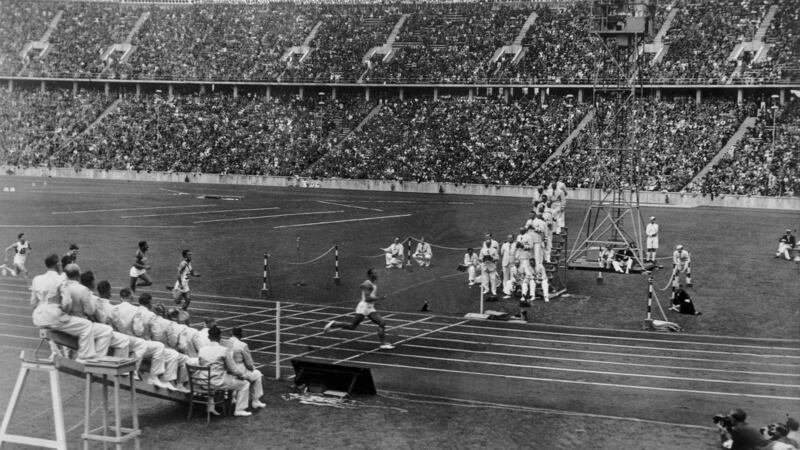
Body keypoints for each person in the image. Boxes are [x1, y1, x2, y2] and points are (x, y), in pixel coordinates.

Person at [30, 254, 96, 361]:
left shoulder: (36, 279)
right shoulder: (61, 279)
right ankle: (84, 357)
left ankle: (57, 353)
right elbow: (67, 302)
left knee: (56, 327)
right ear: (58, 264)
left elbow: (33, 303)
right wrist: (64, 312)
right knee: (87, 325)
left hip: (38, 317)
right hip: (53, 314)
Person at [323, 268, 395, 350]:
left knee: (382, 323)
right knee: (352, 326)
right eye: (375, 273)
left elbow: (364, 290)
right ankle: (334, 324)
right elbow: (367, 299)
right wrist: (379, 298)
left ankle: (383, 344)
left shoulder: (371, 284)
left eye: (377, 273)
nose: (377, 274)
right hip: (363, 308)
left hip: (370, 308)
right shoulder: (368, 284)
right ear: (370, 275)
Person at [197, 325, 253, 417]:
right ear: (219, 338)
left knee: (217, 377)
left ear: (208, 337)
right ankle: (240, 409)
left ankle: (211, 407)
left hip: (203, 381)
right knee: (245, 384)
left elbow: (201, 364)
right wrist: (242, 376)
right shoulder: (224, 350)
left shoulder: (202, 350)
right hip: (217, 382)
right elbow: (233, 369)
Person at [226, 327, 266, 409]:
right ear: (240, 335)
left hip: (227, 370)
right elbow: (249, 363)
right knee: (258, 374)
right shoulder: (243, 345)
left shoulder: (224, 343)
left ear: (231, 334)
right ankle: (256, 400)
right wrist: (252, 368)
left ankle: (233, 398)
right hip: (239, 369)